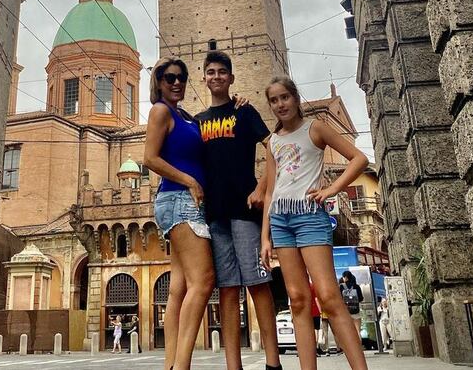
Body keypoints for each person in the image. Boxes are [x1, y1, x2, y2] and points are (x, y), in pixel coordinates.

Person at [260, 76, 371, 370]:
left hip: (310, 217)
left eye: (284, 97)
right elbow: (270, 190)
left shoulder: (316, 128)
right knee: (296, 299)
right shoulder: (272, 142)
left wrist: (333, 189)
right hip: (280, 220)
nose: (280, 104)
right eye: (274, 100)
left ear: (295, 99)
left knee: (328, 296)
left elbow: (358, 159)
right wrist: (265, 237)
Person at [196, 49, 282, 370]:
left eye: (222, 72)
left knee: (258, 284)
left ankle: (274, 363)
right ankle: (234, 366)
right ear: (204, 78)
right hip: (215, 216)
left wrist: (262, 187)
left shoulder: (244, 112)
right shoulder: (199, 122)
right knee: (228, 291)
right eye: (211, 72)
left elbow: (273, 146)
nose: (216, 77)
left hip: (245, 212)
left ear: (231, 78)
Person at [144, 57, 215, 370]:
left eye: (181, 77)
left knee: (179, 288)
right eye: (170, 77)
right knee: (204, 281)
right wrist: (189, 181)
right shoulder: (160, 110)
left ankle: (171, 363)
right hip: (180, 200)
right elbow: (149, 158)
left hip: (179, 201)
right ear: (159, 82)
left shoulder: (184, 116)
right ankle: (182, 364)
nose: (176, 83)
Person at [340, 272, 363, 339]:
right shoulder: (356, 286)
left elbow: (340, 299)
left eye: (343, 277)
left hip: (346, 312)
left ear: (346, 278)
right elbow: (361, 298)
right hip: (356, 311)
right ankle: (359, 346)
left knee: (349, 332)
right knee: (358, 331)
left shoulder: (341, 286)